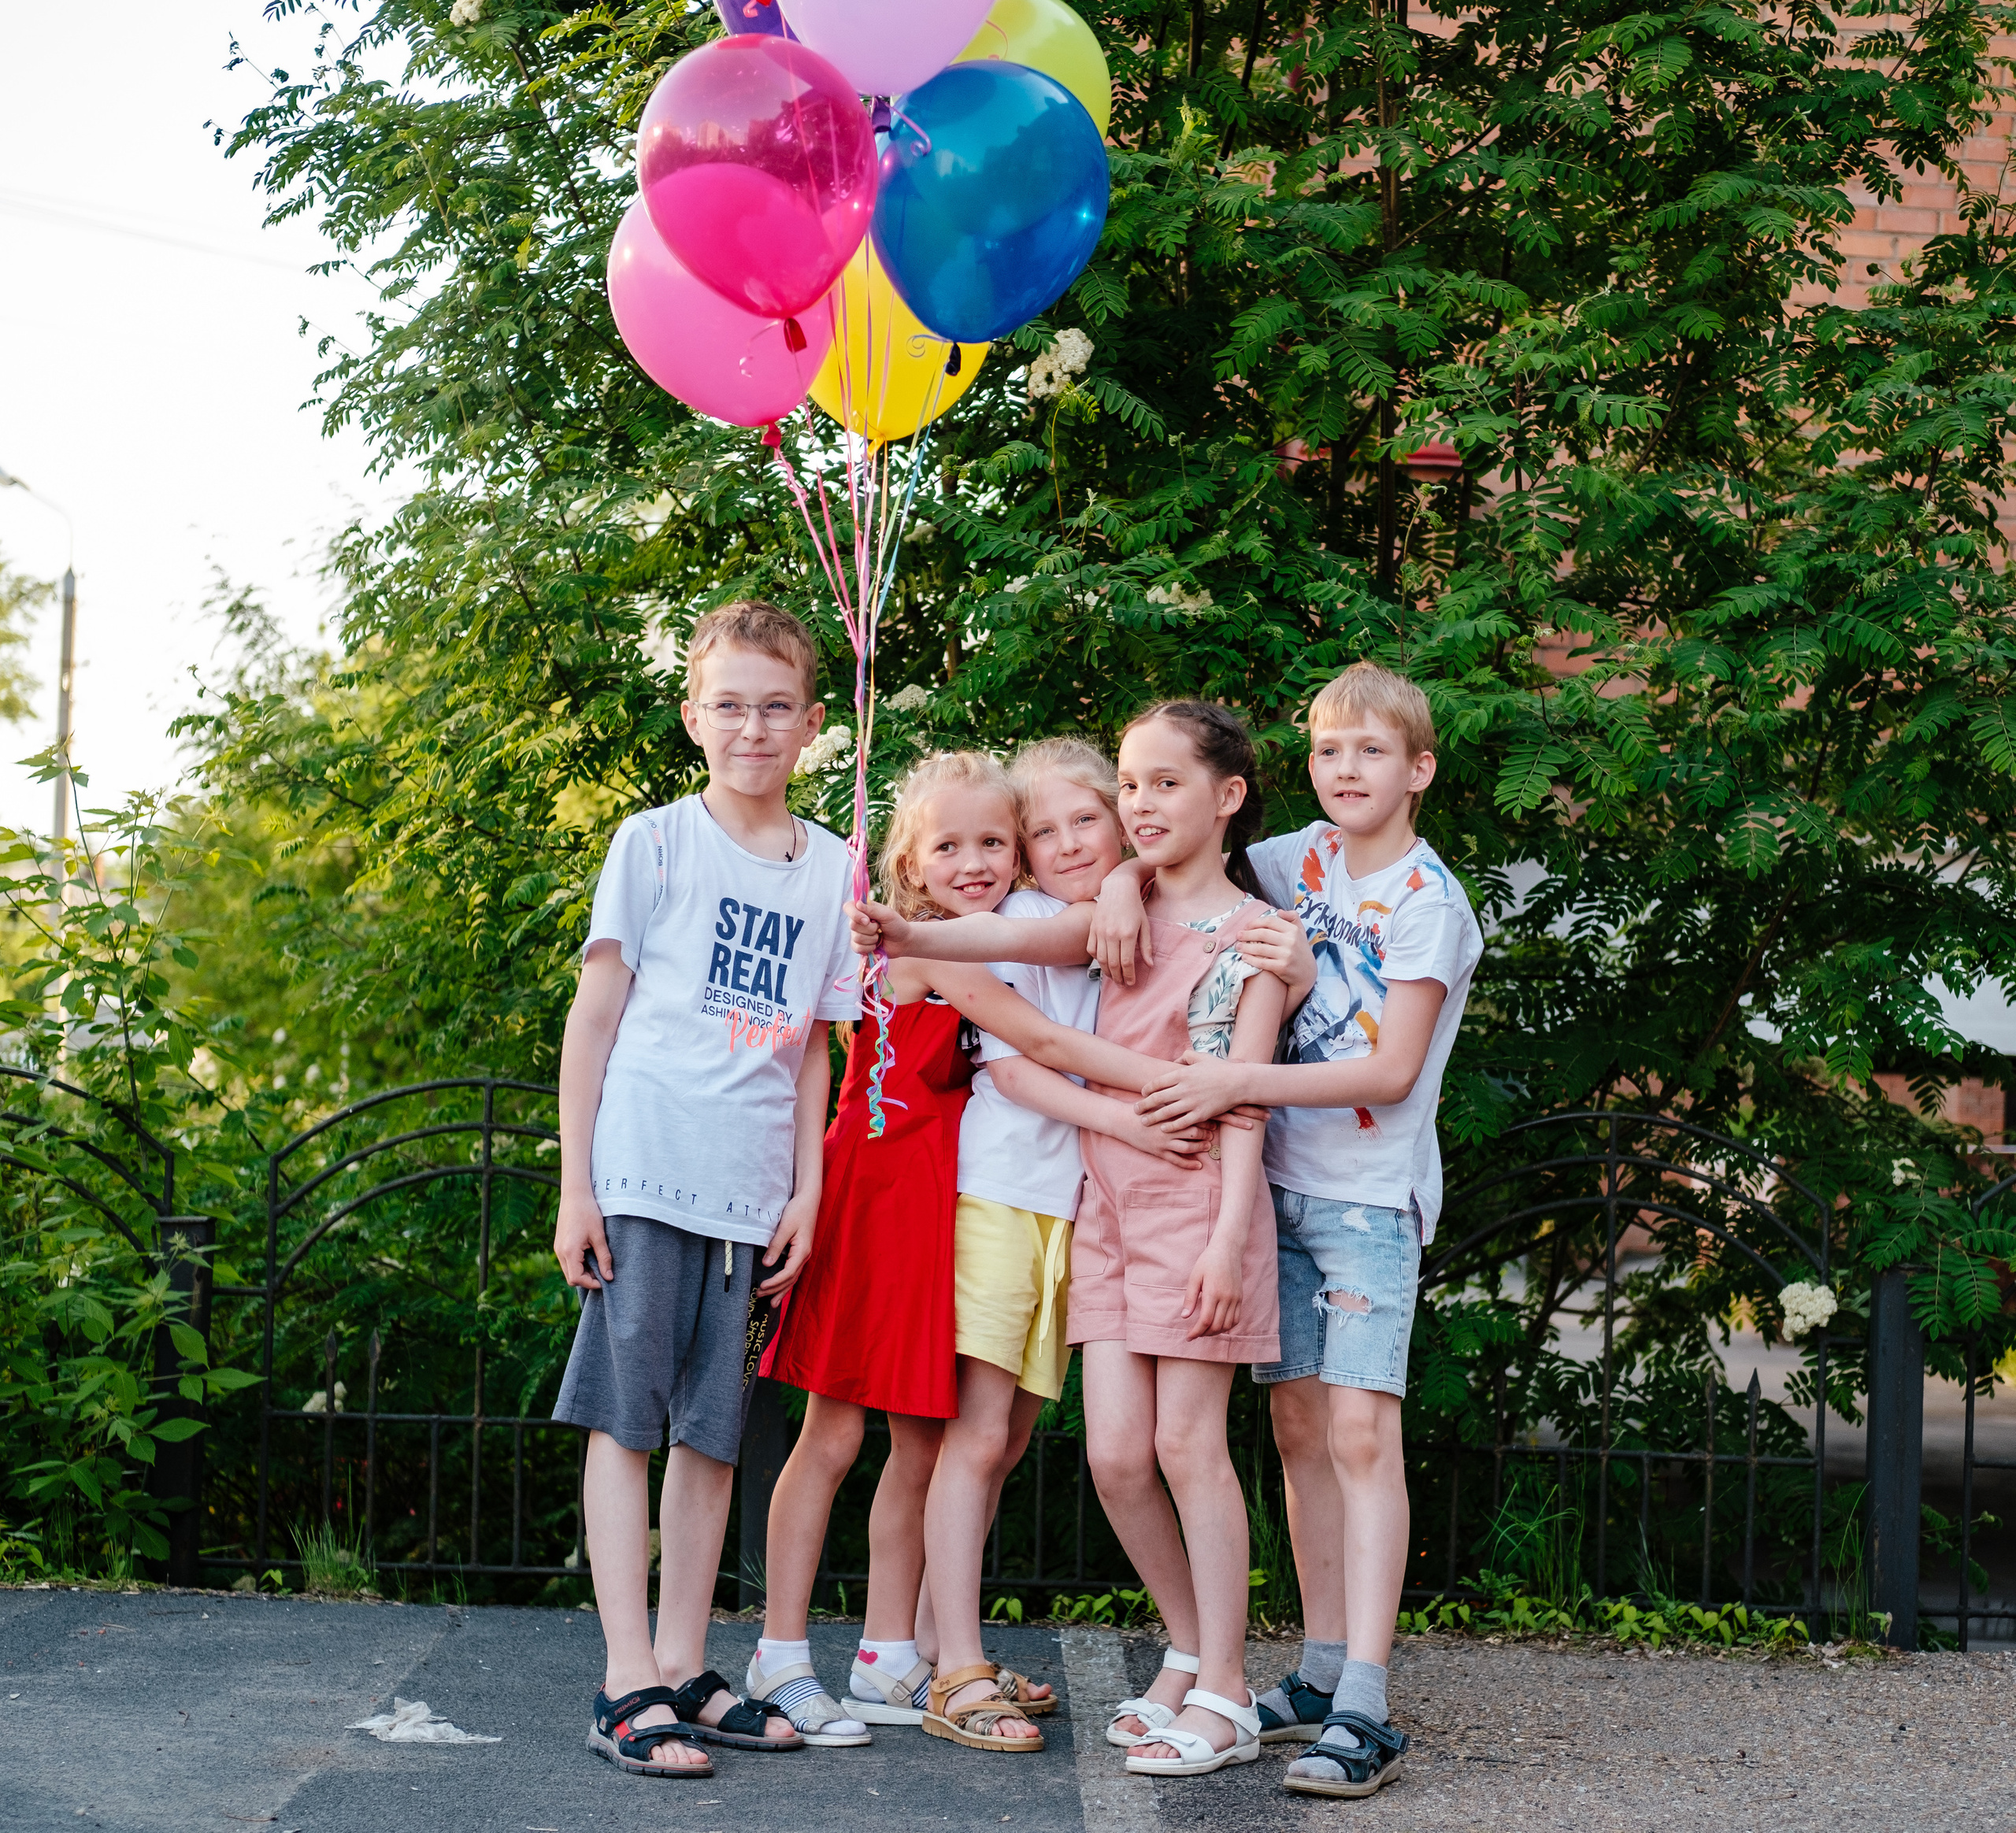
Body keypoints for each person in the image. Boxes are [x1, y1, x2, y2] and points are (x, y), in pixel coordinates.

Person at [747, 750, 1225, 1754]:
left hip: (965, 1204)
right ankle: (816, 1656)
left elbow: (1083, 916)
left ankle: (894, 1650)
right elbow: (1036, 1053)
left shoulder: (1031, 920)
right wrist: (1171, 1094)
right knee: (852, 1438)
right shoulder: (951, 942)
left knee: (947, 1444)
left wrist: (1133, 879)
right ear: (908, 865)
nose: (981, 860)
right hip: (905, 1201)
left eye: (995, 842)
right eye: (952, 846)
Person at [861, 702, 1297, 1779]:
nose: (1138, 810)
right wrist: (908, 931)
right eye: (1131, 787)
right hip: (1102, 1210)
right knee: (1113, 1454)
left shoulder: (1242, 934)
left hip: (1196, 1210)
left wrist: (1231, 1233)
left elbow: (1242, 1101)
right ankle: (1189, 1649)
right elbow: (1010, 945)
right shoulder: (1109, 910)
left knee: (1188, 1446)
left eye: (1154, 789)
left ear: (1223, 797)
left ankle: (1226, 1687)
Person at [1113, 661, 1484, 1799]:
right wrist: (1126, 880)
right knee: (1298, 1436)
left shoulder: (1430, 901)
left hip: (1368, 1198)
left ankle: (1365, 1702)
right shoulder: (1292, 862)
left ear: (1417, 770)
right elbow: (1187, 859)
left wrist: (1238, 1079)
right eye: (1328, 751)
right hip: (1275, 1189)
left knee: (1364, 1437)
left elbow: (1391, 1065)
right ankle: (1318, 1672)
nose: (1346, 770)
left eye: (1371, 752)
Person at [550, 599, 861, 1779]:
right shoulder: (657, 842)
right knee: (628, 1426)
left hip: (747, 1197)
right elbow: (597, 1012)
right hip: (641, 1173)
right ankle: (626, 1674)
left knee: (714, 1439)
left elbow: (819, 1050)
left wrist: (810, 1190)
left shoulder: (835, 867)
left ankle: (685, 1661)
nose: (752, 727)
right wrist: (577, 1185)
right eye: (729, 705)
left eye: (776, 707)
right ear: (694, 716)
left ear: (812, 724)